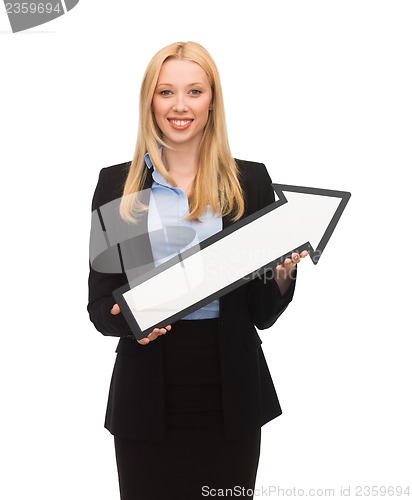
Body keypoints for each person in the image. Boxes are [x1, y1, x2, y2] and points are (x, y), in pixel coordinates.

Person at [87, 41, 307, 500]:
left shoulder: (249, 181)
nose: (180, 106)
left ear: (213, 101)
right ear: (150, 101)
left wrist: (283, 273)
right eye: (166, 92)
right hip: (146, 391)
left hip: (231, 388)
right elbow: (99, 304)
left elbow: (262, 312)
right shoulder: (116, 185)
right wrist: (130, 321)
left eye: (194, 91)